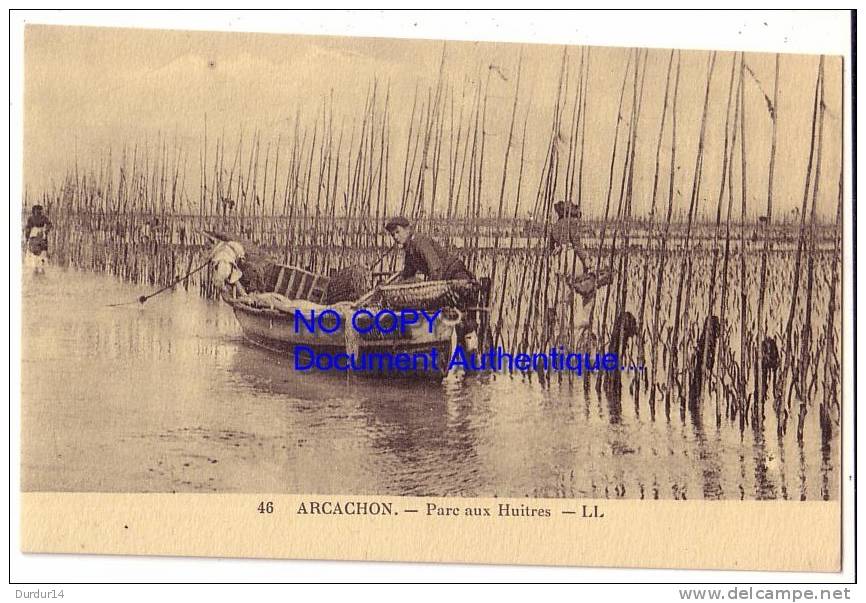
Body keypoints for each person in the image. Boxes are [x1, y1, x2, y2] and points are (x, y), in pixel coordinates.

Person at [384, 216, 478, 351]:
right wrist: (390, 287)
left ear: (407, 229)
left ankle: (475, 363)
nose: (395, 237)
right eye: (393, 235)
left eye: (398, 232)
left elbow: (436, 269)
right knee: (455, 321)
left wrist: (431, 294)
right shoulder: (409, 250)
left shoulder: (419, 242)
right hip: (445, 281)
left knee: (464, 321)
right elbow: (407, 275)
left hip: (455, 277)